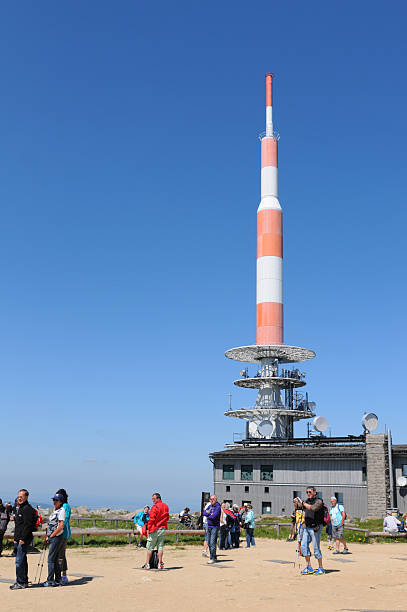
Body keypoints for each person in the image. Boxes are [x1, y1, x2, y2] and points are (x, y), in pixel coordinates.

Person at [9, 489, 37, 590]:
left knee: (19, 561)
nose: (19, 498)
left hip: (24, 538)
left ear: (26, 497)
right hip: (18, 538)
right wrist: (16, 538)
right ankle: (23, 580)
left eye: (21, 497)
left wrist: (22, 539)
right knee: (22, 560)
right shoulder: (19, 508)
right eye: (18, 497)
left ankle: (20, 582)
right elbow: (18, 525)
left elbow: (28, 526)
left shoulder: (27, 509)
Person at [296, 486, 326, 575]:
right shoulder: (307, 501)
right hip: (307, 527)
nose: (308, 494)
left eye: (309, 492)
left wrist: (303, 503)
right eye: (307, 492)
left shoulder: (319, 501)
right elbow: (301, 506)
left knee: (316, 548)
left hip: (315, 528)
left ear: (314, 492)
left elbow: (312, 508)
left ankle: (321, 568)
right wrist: (297, 502)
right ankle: (309, 566)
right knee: (303, 546)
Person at [42, 493, 66, 587]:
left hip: (56, 537)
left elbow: (61, 526)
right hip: (52, 536)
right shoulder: (55, 510)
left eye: (56, 500)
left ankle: (50, 580)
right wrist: (47, 535)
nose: (54, 502)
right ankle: (58, 579)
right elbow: (51, 524)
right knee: (55, 559)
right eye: (54, 500)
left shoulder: (61, 511)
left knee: (50, 559)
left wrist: (52, 535)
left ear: (60, 502)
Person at [143, 493, 169, 570]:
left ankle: (147, 564)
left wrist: (148, 529)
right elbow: (167, 517)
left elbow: (151, 519)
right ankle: (159, 563)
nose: (153, 501)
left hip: (155, 529)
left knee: (150, 547)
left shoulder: (155, 507)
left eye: (154, 499)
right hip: (163, 528)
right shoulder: (165, 506)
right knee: (160, 547)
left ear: (158, 498)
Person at [55, 489, 71, 584]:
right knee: (59, 554)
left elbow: (65, 520)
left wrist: (58, 530)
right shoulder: (60, 506)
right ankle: (60, 574)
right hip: (59, 532)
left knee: (61, 554)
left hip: (63, 533)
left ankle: (63, 575)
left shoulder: (65, 506)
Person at [202, 494, 221, 564]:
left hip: (214, 527)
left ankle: (212, 558)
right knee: (209, 543)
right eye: (211, 499)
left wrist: (208, 514)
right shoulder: (210, 506)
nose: (212, 500)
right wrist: (210, 513)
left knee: (212, 543)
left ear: (216, 500)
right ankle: (214, 556)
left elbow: (214, 516)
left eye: (213, 499)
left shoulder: (218, 507)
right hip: (209, 526)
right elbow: (204, 513)